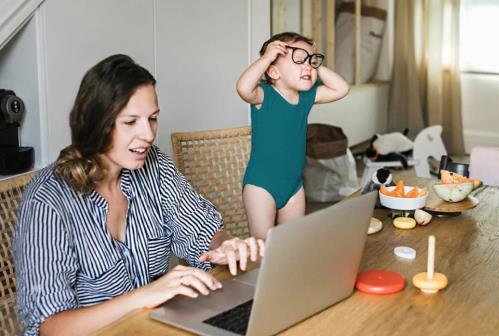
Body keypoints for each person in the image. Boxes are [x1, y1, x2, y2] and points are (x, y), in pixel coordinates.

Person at [13, 54, 265, 335]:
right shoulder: (47, 201)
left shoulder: (155, 166)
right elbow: (51, 327)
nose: (147, 134)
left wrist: (227, 246)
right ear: (97, 123)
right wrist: (143, 297)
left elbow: (206, 238)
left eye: (153, 119)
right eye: (131, 122)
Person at [236, 32, 350, 240]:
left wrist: (313, 62)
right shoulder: (264, 95)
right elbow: (243, 88)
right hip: (261, 187)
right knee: (262, 244)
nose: (307, 66)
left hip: (294, 187)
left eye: (311, 61)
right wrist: (265, 59)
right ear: (274, 71)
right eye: (298, 60)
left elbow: (341, 88)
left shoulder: (306, 97)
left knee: (292, 241)